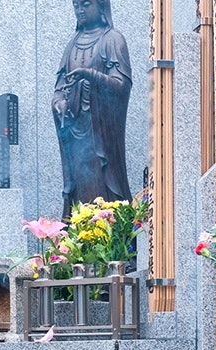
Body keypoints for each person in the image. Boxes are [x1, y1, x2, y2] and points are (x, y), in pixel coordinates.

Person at [52, 0, 132, 219]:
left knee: (103, 185)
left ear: (101, 6)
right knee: (79, 187)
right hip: (75, 132)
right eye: (76, 4)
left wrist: (90, 75)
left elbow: (122, 86)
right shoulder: (72, 44)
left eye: (86, 4)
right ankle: (80, 235)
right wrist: (59, 103)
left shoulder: (112, 39)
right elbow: (59, 89)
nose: (79, 9)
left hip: (101, 135)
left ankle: (106, 237)